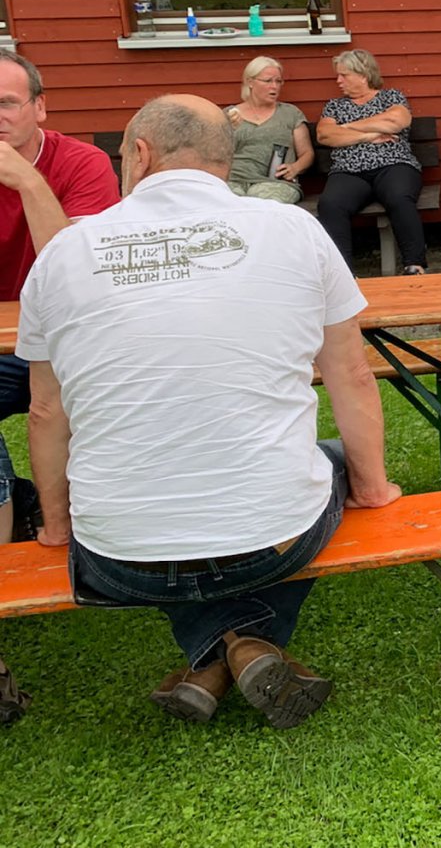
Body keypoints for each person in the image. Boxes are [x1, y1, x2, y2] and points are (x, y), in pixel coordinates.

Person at [17, 95, 402, 726]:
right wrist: (373, 488)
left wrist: (58, 527)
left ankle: (215, 654)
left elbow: (44, 411)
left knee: (173, 497)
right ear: (225, 158)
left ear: (140, 155)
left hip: (117, 558)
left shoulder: (63, 252)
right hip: (272, 542)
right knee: (321, 463)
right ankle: (245, 643)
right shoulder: (295, 229)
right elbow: (352, 375)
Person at [0, 49, 120, 544]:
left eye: (6, 103)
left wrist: (27, 181)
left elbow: (79, 273)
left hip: (77, 342)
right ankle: (12, 506)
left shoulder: (82, 163)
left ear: (39, 107)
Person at [315, 49, 427, 275]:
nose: (338, 81)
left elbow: (396, 122)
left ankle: (415, 265)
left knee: (399, 197)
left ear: (363, 75)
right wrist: (368, 136)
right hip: (349, 171)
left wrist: (347, 127)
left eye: (344, 75)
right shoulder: (335, 106)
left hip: (394, 165)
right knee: (330, 204)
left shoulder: (391, 97)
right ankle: (343, 274)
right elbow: (325, 135)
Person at [224, 56, 313, 203]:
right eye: (268, 81)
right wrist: (228, 129)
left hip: (275, 182)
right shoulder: (230, 115)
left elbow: (307, 153)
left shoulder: (290, 113)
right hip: (233, 180)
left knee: (263, 206)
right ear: (250, 82)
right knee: (228, 204)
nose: (274, 86)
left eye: (278, 81)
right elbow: (215, 154)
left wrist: (295, 168)